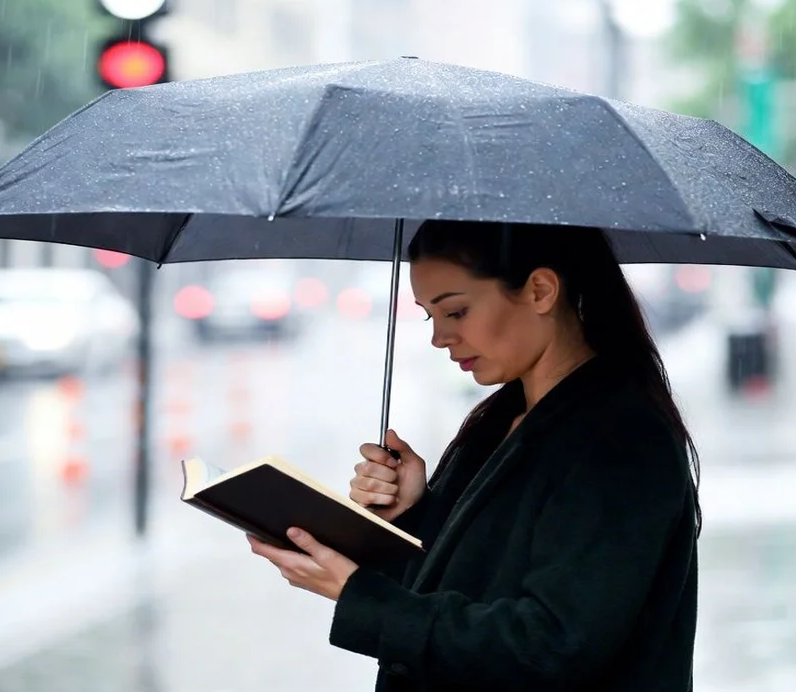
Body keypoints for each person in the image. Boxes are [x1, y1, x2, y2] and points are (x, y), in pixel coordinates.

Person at [248, 220, 701, 691]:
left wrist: (359, 596)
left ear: (541, 290)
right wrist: (412, 515)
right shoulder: (500, 423)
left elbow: (550, 647)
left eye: (456, 312)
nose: (439, 338)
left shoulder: (621, 440)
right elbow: (459, 588)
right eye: (429, 316)